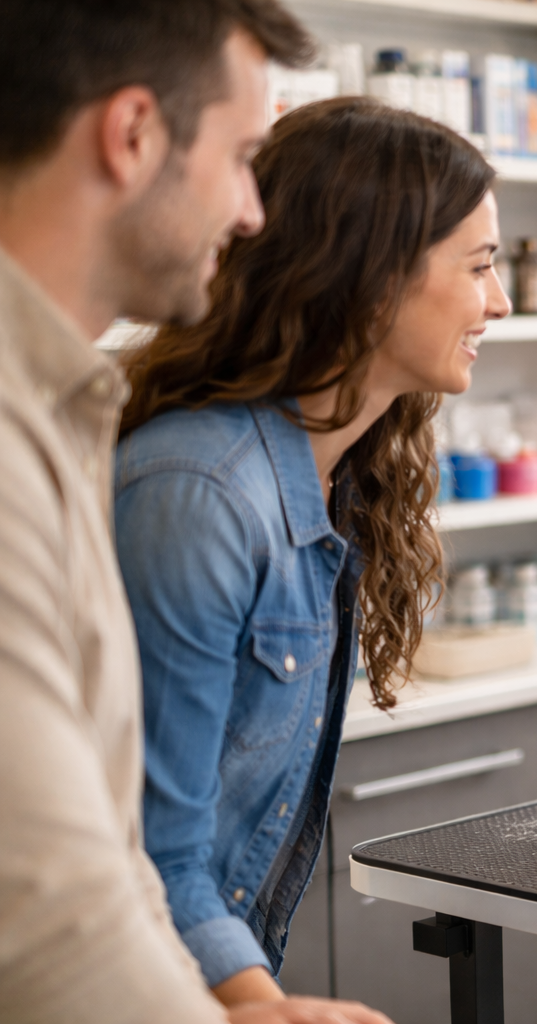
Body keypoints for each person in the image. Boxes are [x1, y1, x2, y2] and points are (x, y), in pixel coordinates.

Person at [0, 2, 386, 1021]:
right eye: (244, 155)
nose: (255, 211)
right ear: (132, 135)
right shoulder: (156, 474)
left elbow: (115, 855)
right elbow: (50, 919)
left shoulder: (57, 406)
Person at [114, 95, 508, 1006]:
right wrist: (260, 1004)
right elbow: (147, 850)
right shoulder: (199, 498)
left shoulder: (337, 474)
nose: (501, 301)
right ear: (370, 280)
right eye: (480, 267)